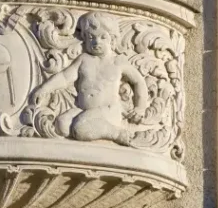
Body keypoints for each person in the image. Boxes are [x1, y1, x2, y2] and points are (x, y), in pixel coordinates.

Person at [31, 11, 149, 145]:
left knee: (80, 129)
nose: (96, 41)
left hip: (108, 111)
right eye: (91, 37)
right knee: (62, 124)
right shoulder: (84, 59)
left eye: (103, 37)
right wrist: (44, 89)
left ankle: (117, 133)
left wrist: (140, 107)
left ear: (112, 39)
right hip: (85, 110)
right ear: (85, 38)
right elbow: (65, 77)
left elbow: (138, 81)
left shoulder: (118, 62)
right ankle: (92, 127)